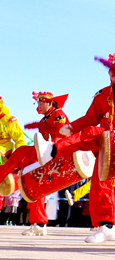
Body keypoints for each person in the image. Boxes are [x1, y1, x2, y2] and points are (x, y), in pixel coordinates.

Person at [41, 53, 115, 243]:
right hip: (106, 141)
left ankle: (53, 150)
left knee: (93, 132)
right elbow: (89, 118)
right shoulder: (102, 94)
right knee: (99, 181)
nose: (112, 71)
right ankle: (106, 226)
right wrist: (68, 128)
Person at [14, 92, 71, 236]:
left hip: (55, 156)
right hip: (45, 156)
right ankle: (38, 223)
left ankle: (39, 223)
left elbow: (61, 136)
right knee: (35, 185)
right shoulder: (46, 117)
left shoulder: (58, 115)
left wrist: (52, 155)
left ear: (49, 103)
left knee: (37, 186)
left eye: (41, 103)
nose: (39, 106)